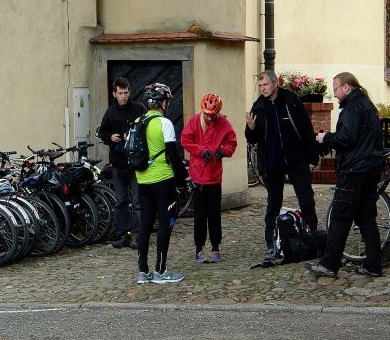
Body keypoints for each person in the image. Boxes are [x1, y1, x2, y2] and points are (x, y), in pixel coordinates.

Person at [305, 72, 384, 278]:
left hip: (354, 171)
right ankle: (373, 264)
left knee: (340, 217)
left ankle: (329, 264)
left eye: (336, 90)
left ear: (346, 88)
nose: (335, 95)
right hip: (370, 169)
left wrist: (326, 138)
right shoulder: (368, 106)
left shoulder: (352, 108)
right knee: (366, 217)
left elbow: (346, 138)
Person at [245, 70, 319, 261]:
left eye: (265, 85)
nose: (263, 89)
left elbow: (305, 128)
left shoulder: (291, 100)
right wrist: (250, 128)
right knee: (273, 204)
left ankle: (312, 235)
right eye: (260, 86)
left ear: (275, 84)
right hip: (272, 162)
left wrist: (312, 158)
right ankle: (272, 242)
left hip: (296, 159)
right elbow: (252, 139)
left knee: (306, 198)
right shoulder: (258, 107)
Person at [135, 83, 188, 284]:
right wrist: (183, 179)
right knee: (165, 224)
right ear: (162, 102)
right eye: (166, 101)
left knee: (146, 225)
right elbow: (173, 156)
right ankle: (161, 270)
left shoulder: (138, 120)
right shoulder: (163, 123)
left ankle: (143, 271)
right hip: (163, 180)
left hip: (142, 179)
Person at [181, 94, 237, 263]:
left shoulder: (224, 124)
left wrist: (224, 151)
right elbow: (186, 140)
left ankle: (215, 247)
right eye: (206, 114)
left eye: (212, 115)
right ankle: (199, 248)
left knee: (214, 215)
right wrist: (201, 150)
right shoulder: (195, 121)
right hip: (198, 176)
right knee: (199, 215)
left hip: (214, 177)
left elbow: (232, 142)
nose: (209, 118)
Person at [97, 77, 147, 249]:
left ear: (129, 92)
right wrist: (110, 137)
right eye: (120, 93)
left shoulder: (139, 109)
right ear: (114, 93)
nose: (123, 96)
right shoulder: (111, 112)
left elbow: (147, 129)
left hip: (136, 163)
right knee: (120, 201)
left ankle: (140, 235)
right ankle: (122, 234)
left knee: (138, 200)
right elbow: (102, 132)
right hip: (118, 163)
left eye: (126, 93)